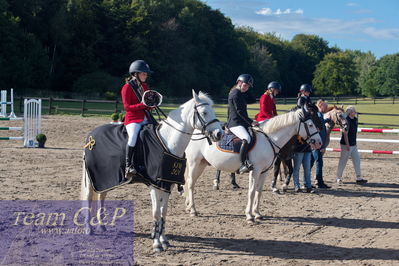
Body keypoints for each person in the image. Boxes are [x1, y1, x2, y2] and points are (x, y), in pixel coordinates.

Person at [121, 59, 154, 179]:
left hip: (145, 117)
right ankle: (128, 165)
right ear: (136, 74)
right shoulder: (127, 87)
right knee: (133, 136)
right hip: (133, 119)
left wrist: (152, 105)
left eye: (146, 74)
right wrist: (143, 105)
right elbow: (127, 107)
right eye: (143, 73)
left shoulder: (145, 86)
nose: (146, 75)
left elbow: (147, 103)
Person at [227, 74, 257, 174]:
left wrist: (247, 89)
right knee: (246, 138)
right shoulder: (235, 93)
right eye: (245, 85)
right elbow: (240, 111)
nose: (246, 87)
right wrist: (251, 122)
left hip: (241, 122)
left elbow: (253, 100)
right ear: (239, 83)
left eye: (248, 86)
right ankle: (243, 163)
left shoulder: (240, 93)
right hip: (235, 123)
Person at [336, 106, 367, 184]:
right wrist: (347, 145)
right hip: (346, 144)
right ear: (349, 112)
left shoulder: (355, 120)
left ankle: (359, 178)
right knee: (343, 161)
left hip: (353, 144)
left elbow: (354, 133)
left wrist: (354, 144)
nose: (355, 112)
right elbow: (345, 134)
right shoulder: (346, 121)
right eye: (353, 111)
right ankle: (338, 177)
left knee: (357, 160)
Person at [310, 99, 331, 189]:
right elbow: (320, 126)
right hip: (317, 144)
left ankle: (307, 181)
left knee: (311, 163)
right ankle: (319, 182)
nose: (326, 108)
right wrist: (327, 120)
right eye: (325, 106)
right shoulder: (318, 115)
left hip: (316, 144)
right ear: (320, 105)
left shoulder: (320, 115)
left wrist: (326, 120)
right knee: (319, 162)